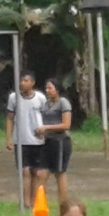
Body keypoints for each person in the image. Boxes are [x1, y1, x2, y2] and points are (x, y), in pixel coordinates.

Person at [6, 72, 48, 209]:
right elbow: (10, 118)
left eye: (26, 80)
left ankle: (35, 201)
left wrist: (45, 132)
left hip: (37, 141)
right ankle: (25, 202)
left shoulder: (40, 98)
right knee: (24, 172)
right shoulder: (14, 98)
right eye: (21, 80)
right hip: (21, 140)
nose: (22, 83)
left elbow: (46, 116)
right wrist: (9, 138)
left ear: (32, 83)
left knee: (36, 172)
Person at [37, 75, 74, 209]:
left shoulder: (63, 102)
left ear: (57, 90)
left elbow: (66, 125)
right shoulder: (46, 105)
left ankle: (63, 206)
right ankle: (41, 204)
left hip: (60, 142)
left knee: (59, 174)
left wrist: (47, 128)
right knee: (41, 173)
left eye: (50, 88)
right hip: (47, 141)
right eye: (46, 88)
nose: (47, 90)